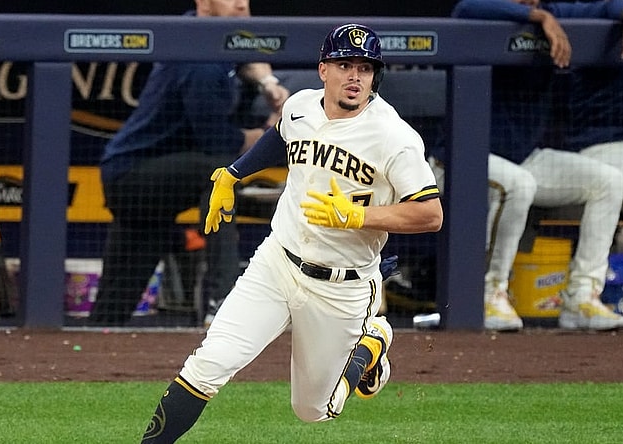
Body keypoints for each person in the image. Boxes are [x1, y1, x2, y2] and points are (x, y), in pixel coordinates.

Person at [140, 23, 442, 443]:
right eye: (344, 65)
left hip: (342, 287)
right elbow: (281, 136)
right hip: (277, 262)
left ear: (375, 76)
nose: (355, 76)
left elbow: (430, 214)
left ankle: (371, 343)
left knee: (314, 410)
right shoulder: (300, 105)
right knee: (209, 362)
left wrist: (359, 218)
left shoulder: (394, 136)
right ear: (323, 69)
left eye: (365, 68)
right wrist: (233, 173)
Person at [89, 0, 289, 326]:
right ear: (204, 5)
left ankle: (92, 343)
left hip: (153, 184)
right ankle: (221, 298)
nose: (241, 4)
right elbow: (219, 142)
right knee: (218, 174)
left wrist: (267, 82)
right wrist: (270, 131)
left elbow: (244, 54)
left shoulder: (197, 31)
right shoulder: (200, 63)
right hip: (135, 177)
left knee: (114, 305)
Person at [451, 0, 623, 330]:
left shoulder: (557, 11)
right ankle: (489, 293)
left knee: (607, 180)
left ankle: (581, 298)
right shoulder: (489, 10)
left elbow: (603, 6)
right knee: (519, 183)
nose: (531, 1)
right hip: (462, 157)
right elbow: (466, 8)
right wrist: (539, 17)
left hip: (523, 156)